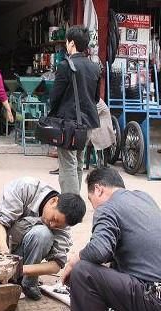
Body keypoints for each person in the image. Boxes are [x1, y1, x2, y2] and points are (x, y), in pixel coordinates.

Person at [62, 168, 161, 311]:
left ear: (98, 190)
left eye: (91, 200)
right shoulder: (144, 198)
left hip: (158, 300)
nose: (93, 207)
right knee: (114, 264)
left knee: (82, 271)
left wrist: (75, 259)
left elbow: (99, 251)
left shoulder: (107, 208)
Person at [0, 177, 86, 300]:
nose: (53, 224)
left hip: (17, 260)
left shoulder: (63, 226)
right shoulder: (26, 187)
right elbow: (0, 223)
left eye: (58, 225)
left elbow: (56, 265)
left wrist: (17, 269)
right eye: (54, 219)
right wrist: (3, 255)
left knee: (43, 233)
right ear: (54, 201)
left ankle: (27, 283)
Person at [49, 25, 100, 194]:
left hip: (69, 125)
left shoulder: (65, 66)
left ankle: (70, 207)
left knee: (68, 165)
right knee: (78, 162)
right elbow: (96, 98)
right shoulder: (94, 67)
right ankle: (75, 202)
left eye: (66, 42)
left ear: (71, 43)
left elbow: (54, 97)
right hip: (88, 124)